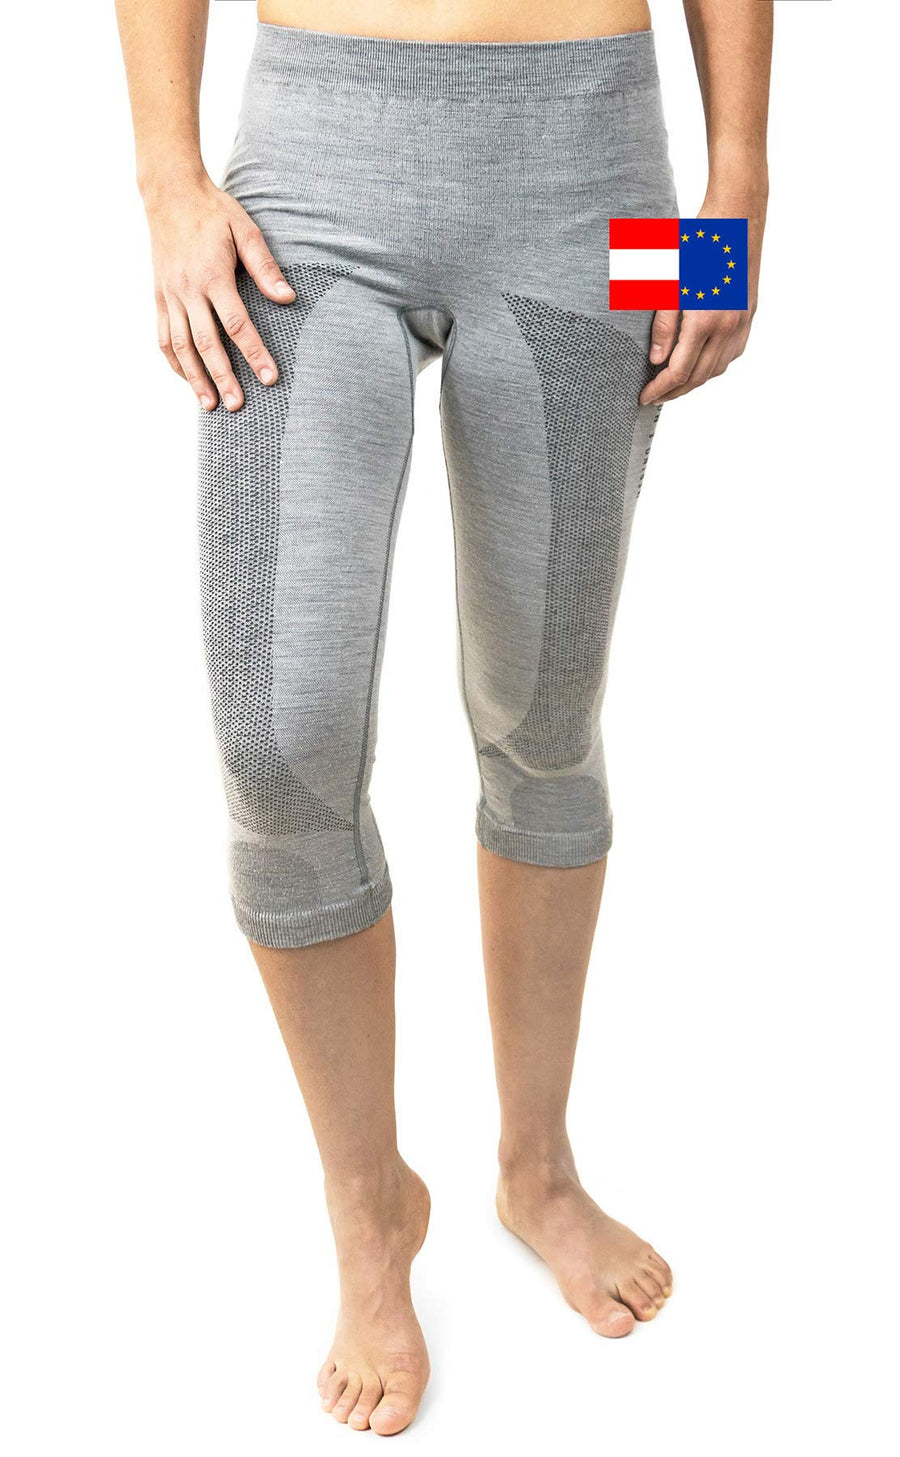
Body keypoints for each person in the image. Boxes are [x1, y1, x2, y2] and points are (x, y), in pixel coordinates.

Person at [116, 0, 771, 1436]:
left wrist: (738, 183)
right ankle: (371, 1213)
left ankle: (538, 1170)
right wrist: (167, 180)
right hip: (307, 173)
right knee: (279, 743)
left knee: (547, 709)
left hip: (596, 170)